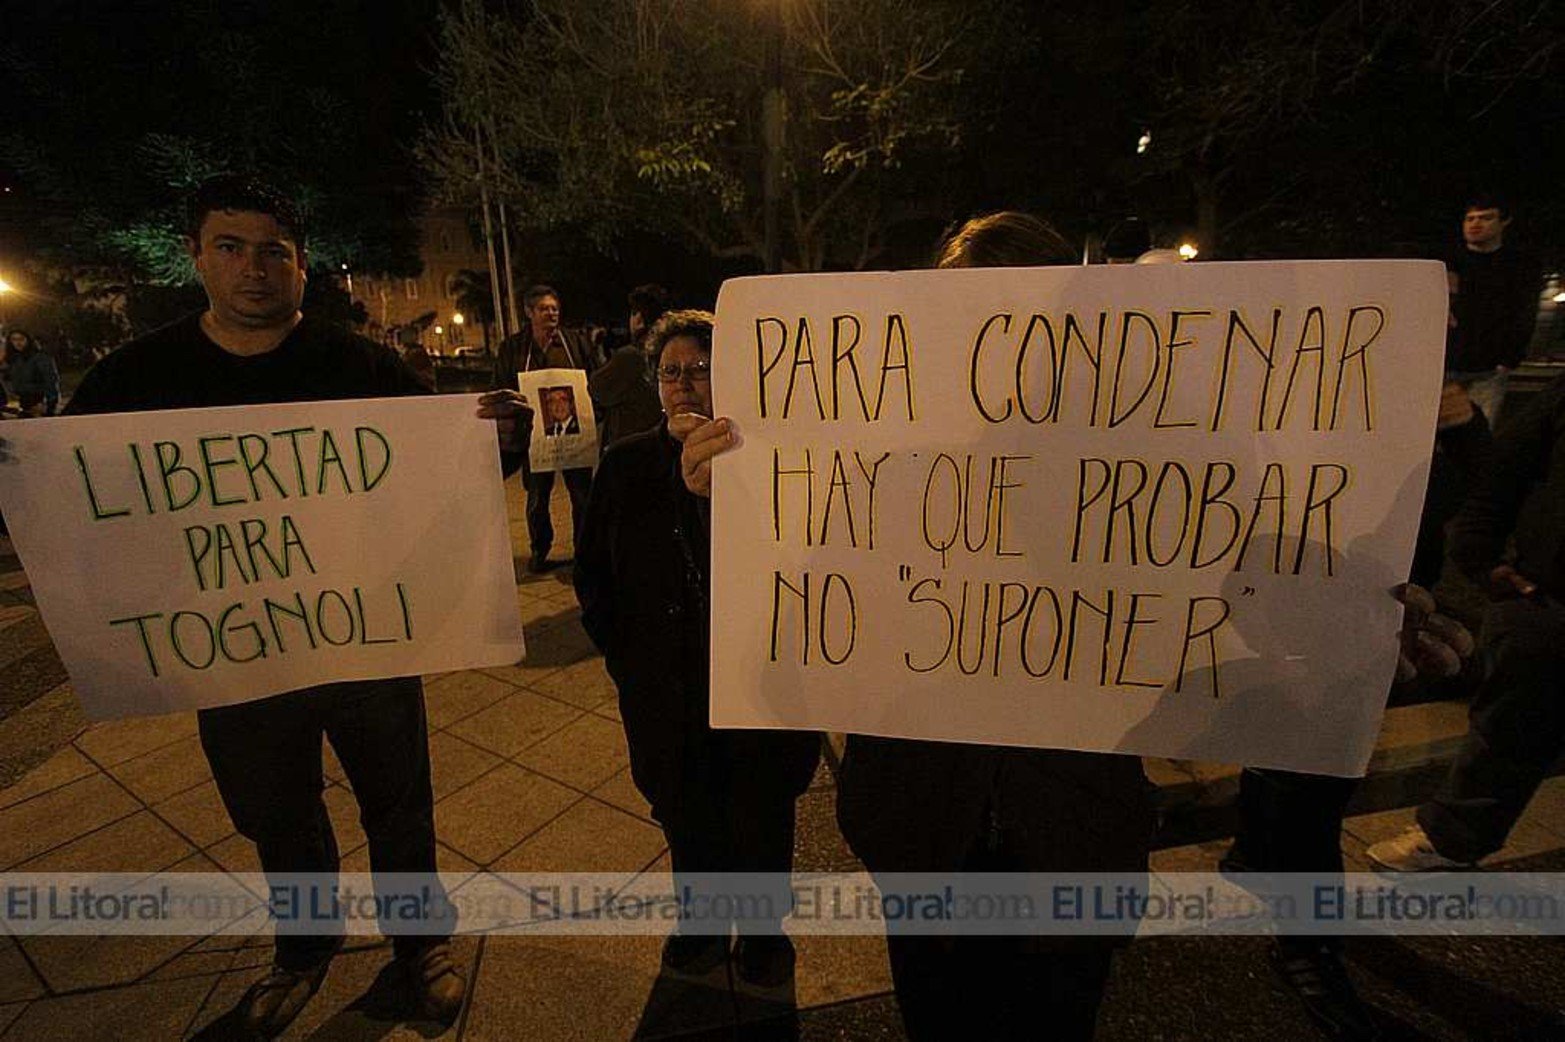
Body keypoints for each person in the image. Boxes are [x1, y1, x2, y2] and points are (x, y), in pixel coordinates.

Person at [60, 174, 527, 1038]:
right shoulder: (133, 378)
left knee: (399, 801)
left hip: (367, 646)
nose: (253, 268)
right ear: (196, 256)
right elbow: (76, 497)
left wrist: (492, 443)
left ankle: (420, 945)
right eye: (230, 247)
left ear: (302, 266)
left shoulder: (363, 364)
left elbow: (441, 485)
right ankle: (304, 948)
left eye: (274, 250)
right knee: (277, 812)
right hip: (235, 653)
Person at [680, 213, 1156, 1040]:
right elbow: (784, 647)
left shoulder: (1136, 475)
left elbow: (1236, 598)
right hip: (925, 831)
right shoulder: (878, 474)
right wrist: (732, 514)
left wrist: (1354, 616)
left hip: (1070, 834)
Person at [1222, 380, 1489, 1042]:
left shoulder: (1427, 394)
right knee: (1296, 775)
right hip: (1276, 592)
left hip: (1363, 610)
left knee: (1309, 778)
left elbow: (1472, 496)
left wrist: (1456, 424)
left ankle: (1282, 900)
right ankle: (1297, 927)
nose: (1454, 315)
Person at [573, 309, 821, 986]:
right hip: (666, 689)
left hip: (756, 684)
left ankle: (765, 932)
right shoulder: (625, 465)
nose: (685, 384)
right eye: (671, 371)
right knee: (685, 811)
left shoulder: (769, 459)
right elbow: (593, 574)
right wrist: (625, 657)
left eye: (702, 370)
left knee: (760, 811)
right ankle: (702, 921)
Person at [1369, 371, 1565, 873]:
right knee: (1509, 732)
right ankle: (1453, 837)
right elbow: (1506, 470)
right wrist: (1482, 559)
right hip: (1549, 603)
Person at [492, 284, 595, 572]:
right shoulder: (513, 348)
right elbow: (500, 386)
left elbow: (596, 377)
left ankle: (584, 551)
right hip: (535, 437)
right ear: (529, 312)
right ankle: (540, 551)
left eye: (554, 308)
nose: (551, 313)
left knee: (582, 497)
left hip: (576, 435)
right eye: (544, 308)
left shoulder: (575, 342)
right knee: (537, 498)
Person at [1444, 194, 1542, 425]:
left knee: (1481, 432)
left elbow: (1523, 313)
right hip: (1448, 365)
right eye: (1470, 219)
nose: (1475, 224)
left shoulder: (1517, 267)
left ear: (1503, 222)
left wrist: (1509, 358)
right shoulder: (1449, 263)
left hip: (1489, 369)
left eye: (1485, 218)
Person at [588, 283, 666, 454]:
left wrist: (596, 351)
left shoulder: (631, 356)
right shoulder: (667, 351)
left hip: (629, 445)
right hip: (660, 441)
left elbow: (597, 389)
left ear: (638, 318)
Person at [4, 329, 60, 416]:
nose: (18, 343)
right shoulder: (15, 359)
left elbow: (51, 381)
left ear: (28, 340)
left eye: (21, 339)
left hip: (39, 400)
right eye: (14, 340)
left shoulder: (39, 357)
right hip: (24, 402)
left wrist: (50, 404)